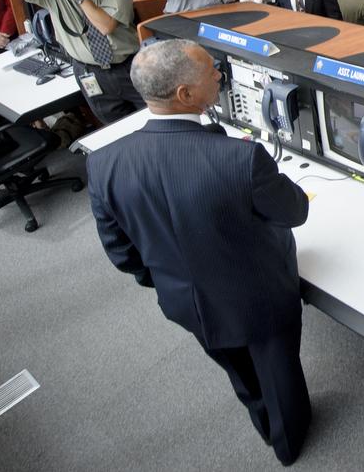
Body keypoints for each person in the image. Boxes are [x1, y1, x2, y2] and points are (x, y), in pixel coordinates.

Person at [87, 39, 311, 465]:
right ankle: (289, 442)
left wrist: (173, 275)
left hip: (184, 302)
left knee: (236, 367)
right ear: (185, 95)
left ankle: (262, 420)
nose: (219, 76)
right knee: (278, 372)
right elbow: (294, 212)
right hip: (259, 298)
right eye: (212, 72)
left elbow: (122, 254)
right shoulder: (240, 159)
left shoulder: (104, 164)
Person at [0, 0, 144, 122]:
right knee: (115, 126)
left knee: (156, 116)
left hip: (128, 67)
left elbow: (105, 26)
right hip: (89, 72)